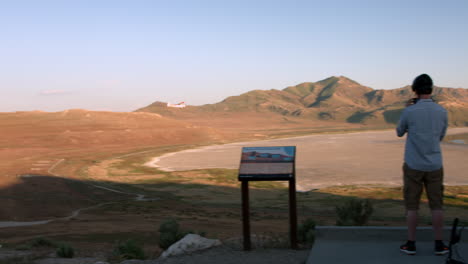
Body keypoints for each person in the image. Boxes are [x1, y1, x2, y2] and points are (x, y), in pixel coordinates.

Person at [397, 74, 449, 255]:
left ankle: (410, 244)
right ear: (431, 89)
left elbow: (399, 132)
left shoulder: (409, 111)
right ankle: (439, 244)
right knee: (437, 205)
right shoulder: (442, 111)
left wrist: (407, 111)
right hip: (435, 164)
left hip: (413, 164)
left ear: (415, 90)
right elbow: (441, 136)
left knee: (412, 206)